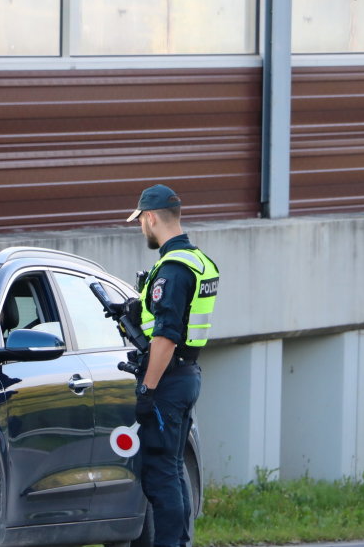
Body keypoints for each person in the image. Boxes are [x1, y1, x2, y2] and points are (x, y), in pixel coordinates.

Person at [126, 184, 219, 547]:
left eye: (140, 222)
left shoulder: (174, 268)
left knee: (161, 476)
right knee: (174, 471)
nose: (141, 229)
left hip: (167, 377)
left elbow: (165, 337)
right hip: (186, 374)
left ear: (150, 218)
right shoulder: (199, 260)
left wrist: (147, 389)